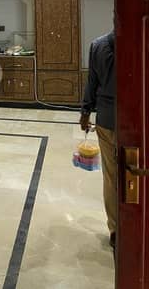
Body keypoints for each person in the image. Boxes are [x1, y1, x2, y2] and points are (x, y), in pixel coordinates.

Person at [80, 30, 116, 249]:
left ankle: (115, 230)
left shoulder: (98, 45)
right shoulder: (139, 40)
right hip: (137, 121)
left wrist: (85, 112)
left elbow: (92, 82)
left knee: (111, 177)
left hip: (107, 119)